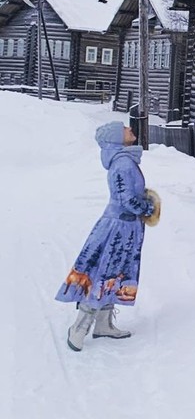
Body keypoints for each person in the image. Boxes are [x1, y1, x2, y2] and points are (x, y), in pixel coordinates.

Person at [55, 120, 156, 352]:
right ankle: (79, 328)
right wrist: (148, 209)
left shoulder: (125, 159)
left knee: (115, 273)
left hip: (126, 227)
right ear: (116, 138)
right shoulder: (122, 163)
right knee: (105, 273)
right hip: (118, 229)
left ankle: (103, 324)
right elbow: (125, 200)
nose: (130, 130)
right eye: (125, 129)